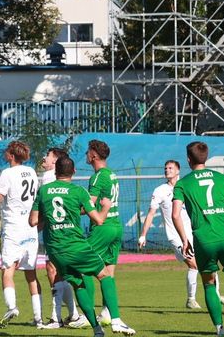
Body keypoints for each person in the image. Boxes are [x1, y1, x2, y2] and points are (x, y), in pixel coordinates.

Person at [30, 152, 116, 337]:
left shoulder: (44, 191)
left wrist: (51, 217)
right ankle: (116, 320)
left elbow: (33, 221)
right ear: (74, 171)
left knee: (78, 284)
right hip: (75, 245)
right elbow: (99, 220)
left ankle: (96, 329)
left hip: (55, 249)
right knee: (104, 275)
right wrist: (106, 206)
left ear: (56, 172)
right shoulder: (78, 192)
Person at [172, 141, 224, 337]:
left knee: (208, 283)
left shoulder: (183, 183)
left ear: (189, 159)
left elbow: (175, 215)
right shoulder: (221, 178)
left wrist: (185, 240)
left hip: (203, 239)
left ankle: (220, 329)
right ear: (206, 157)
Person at [138, 159, 224, 309]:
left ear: (178, 171)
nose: (167, 170)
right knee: (194, 264)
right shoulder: (160, 190)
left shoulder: (186, 186)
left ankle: (216, 294)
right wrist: (143, 235)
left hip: (194, 233)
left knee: (209, 263)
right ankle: (191, 300)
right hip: (176, 236)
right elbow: (150, 214)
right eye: (165, 168)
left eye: (170, 168)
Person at [0, 140, 43, 327]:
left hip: (13, 227)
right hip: (31, 226)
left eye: (7, 152)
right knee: (31, 274)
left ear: (12, 155)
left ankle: (11, 306)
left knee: (7, 270)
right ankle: (38, 318)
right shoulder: (32, 173)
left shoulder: (7, 174)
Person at [84, 139, 136, 334]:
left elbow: (90, 205)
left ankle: (85, 316)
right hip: (116, 226)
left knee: (83, 269)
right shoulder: (112, 174)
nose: (86, 155)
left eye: (88, 152)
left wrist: (71, 207)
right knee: (108, 273)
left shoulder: (97, 177)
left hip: (102, 228)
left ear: (94, 155)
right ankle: (109, 314)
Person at [39, 147, 86, 329]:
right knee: (60, 272)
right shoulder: (52, 177)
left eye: (48, 155)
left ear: (55, 161)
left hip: (56, 235)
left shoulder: (50, 178)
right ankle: (72, 314)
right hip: (60, 233)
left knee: (55, 271)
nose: (44, 157)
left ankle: (60, 316)